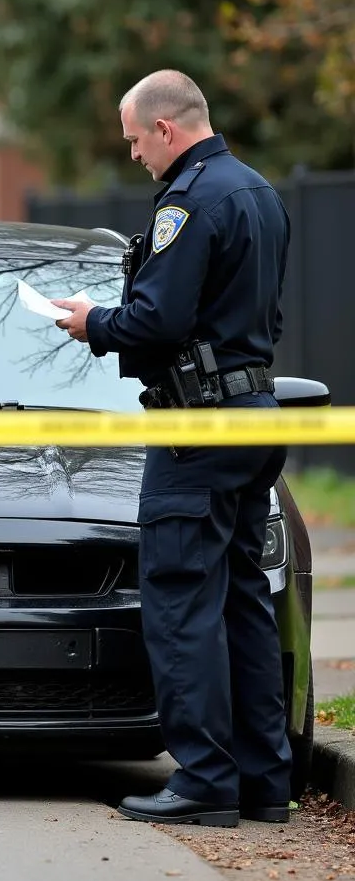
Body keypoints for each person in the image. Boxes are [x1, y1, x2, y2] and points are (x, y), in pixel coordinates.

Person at [54, 69, 291, 828]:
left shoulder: (188, 204)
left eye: (133, 140)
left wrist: (94, 321)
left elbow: (156, 321)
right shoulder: (258, 191)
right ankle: (264, 780)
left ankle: (203, 782)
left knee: (183, 602)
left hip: (196, 431)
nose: (132, 157)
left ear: (165, 129)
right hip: (254, 417)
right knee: (242, 602)